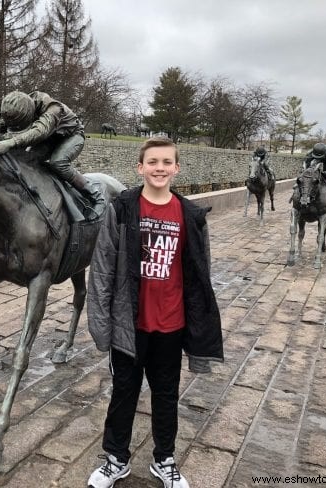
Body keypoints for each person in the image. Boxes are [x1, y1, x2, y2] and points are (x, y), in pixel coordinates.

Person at [86, 136, 224, 488]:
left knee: (166, 394)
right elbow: (101, 269)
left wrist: (199, 326)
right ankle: (116, 458)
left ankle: (164, 459)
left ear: (176, 168)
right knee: (123, 393)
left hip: (171, 324)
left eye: (166, 162)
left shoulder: (190, 215)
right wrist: (100, 323)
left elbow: (200, 274)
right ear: (140, 167)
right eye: (153, 162)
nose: (159, 168)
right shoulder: (122, 208)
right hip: (129, 325)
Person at [0, 90, 105, 217]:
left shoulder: (53, 109)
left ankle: (96, 196)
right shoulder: (14, 104)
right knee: (24, 160)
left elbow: (39, 131)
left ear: (29, 115)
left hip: (70, 135)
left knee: (58, 162)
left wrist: (9, 143)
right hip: (49, 137)